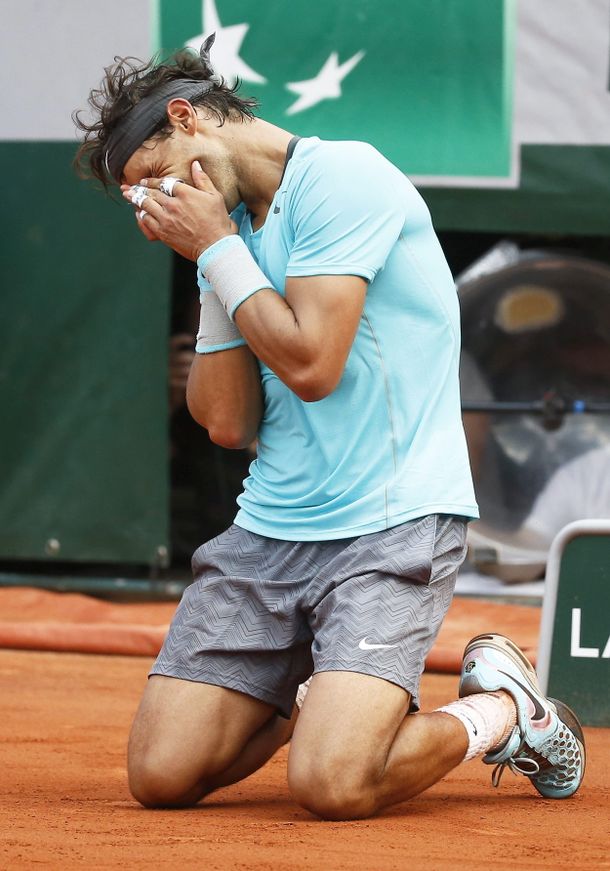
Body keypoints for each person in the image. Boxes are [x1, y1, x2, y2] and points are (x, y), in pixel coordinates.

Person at [73, 36, 585, 818]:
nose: (155, 206)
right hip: (271, 530)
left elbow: (313, 367)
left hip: (392, 523)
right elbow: (226, 421)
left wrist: (216, 247)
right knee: (162, 775)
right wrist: (216, 257)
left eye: (151, 179)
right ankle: (324, 686)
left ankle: (506, 712)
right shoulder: (231, 231)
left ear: (186, 119)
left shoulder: (343, 178)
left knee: (332, 784)